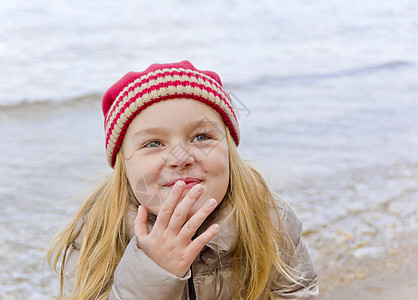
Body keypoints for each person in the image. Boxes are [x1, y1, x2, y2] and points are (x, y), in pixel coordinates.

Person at [46, 60, 320, 299]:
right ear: (122, 165)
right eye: (154, 143)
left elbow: (297, 292)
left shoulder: (270, 217)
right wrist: (153, 271)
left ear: (229, 151)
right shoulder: (97, 229)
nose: (181, 158)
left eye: (201, 137)